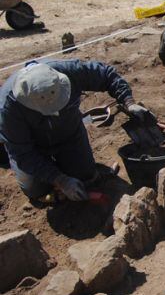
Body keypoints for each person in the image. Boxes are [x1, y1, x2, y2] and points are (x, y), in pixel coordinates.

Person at [0, 60, 153, 202]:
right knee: (35, 190)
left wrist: (128, 101)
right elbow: (23, 154)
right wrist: (61, 180)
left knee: (85, 178)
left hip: (69, 133)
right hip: (32, 147)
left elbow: (106, 75)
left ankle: (67, 165)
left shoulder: (70, 72)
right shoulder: (9, 108)